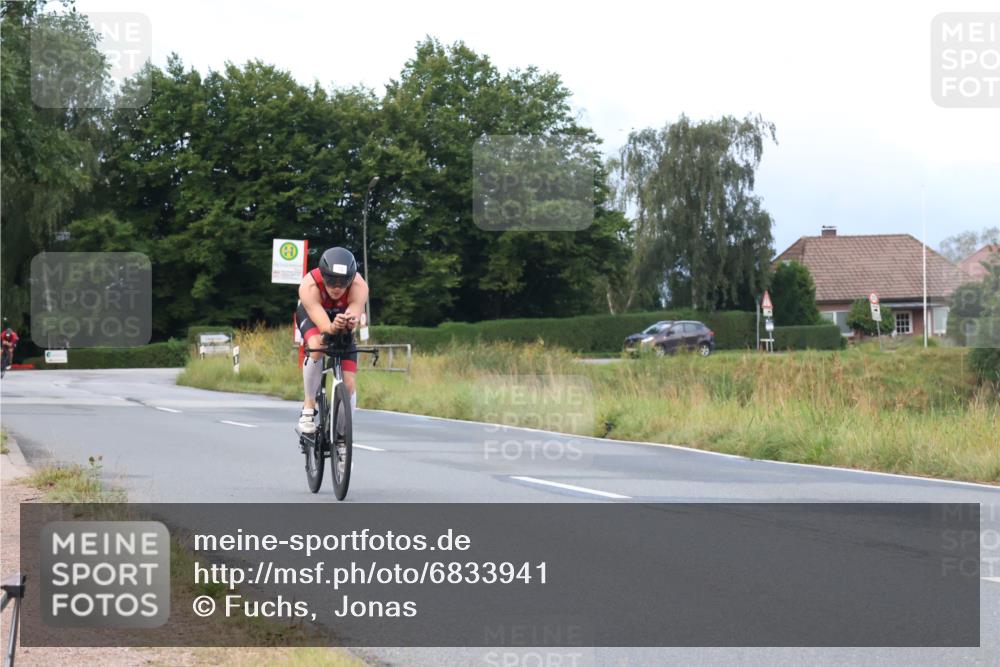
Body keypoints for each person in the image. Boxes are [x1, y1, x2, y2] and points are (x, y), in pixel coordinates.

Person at [295, 247, 368, 434]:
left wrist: (348, 323)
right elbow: (326, 328)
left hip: (340, 316)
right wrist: (332, 327)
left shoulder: (360, 287)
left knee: (349, 384)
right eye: (331, 281)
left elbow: (352, 318)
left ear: (351, 279)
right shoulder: (308, 286)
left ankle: (342, 438)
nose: (337, 288)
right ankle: (309, 406)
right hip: (314, 314)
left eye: (343, 283)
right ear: (322, 275)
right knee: (318, 346)